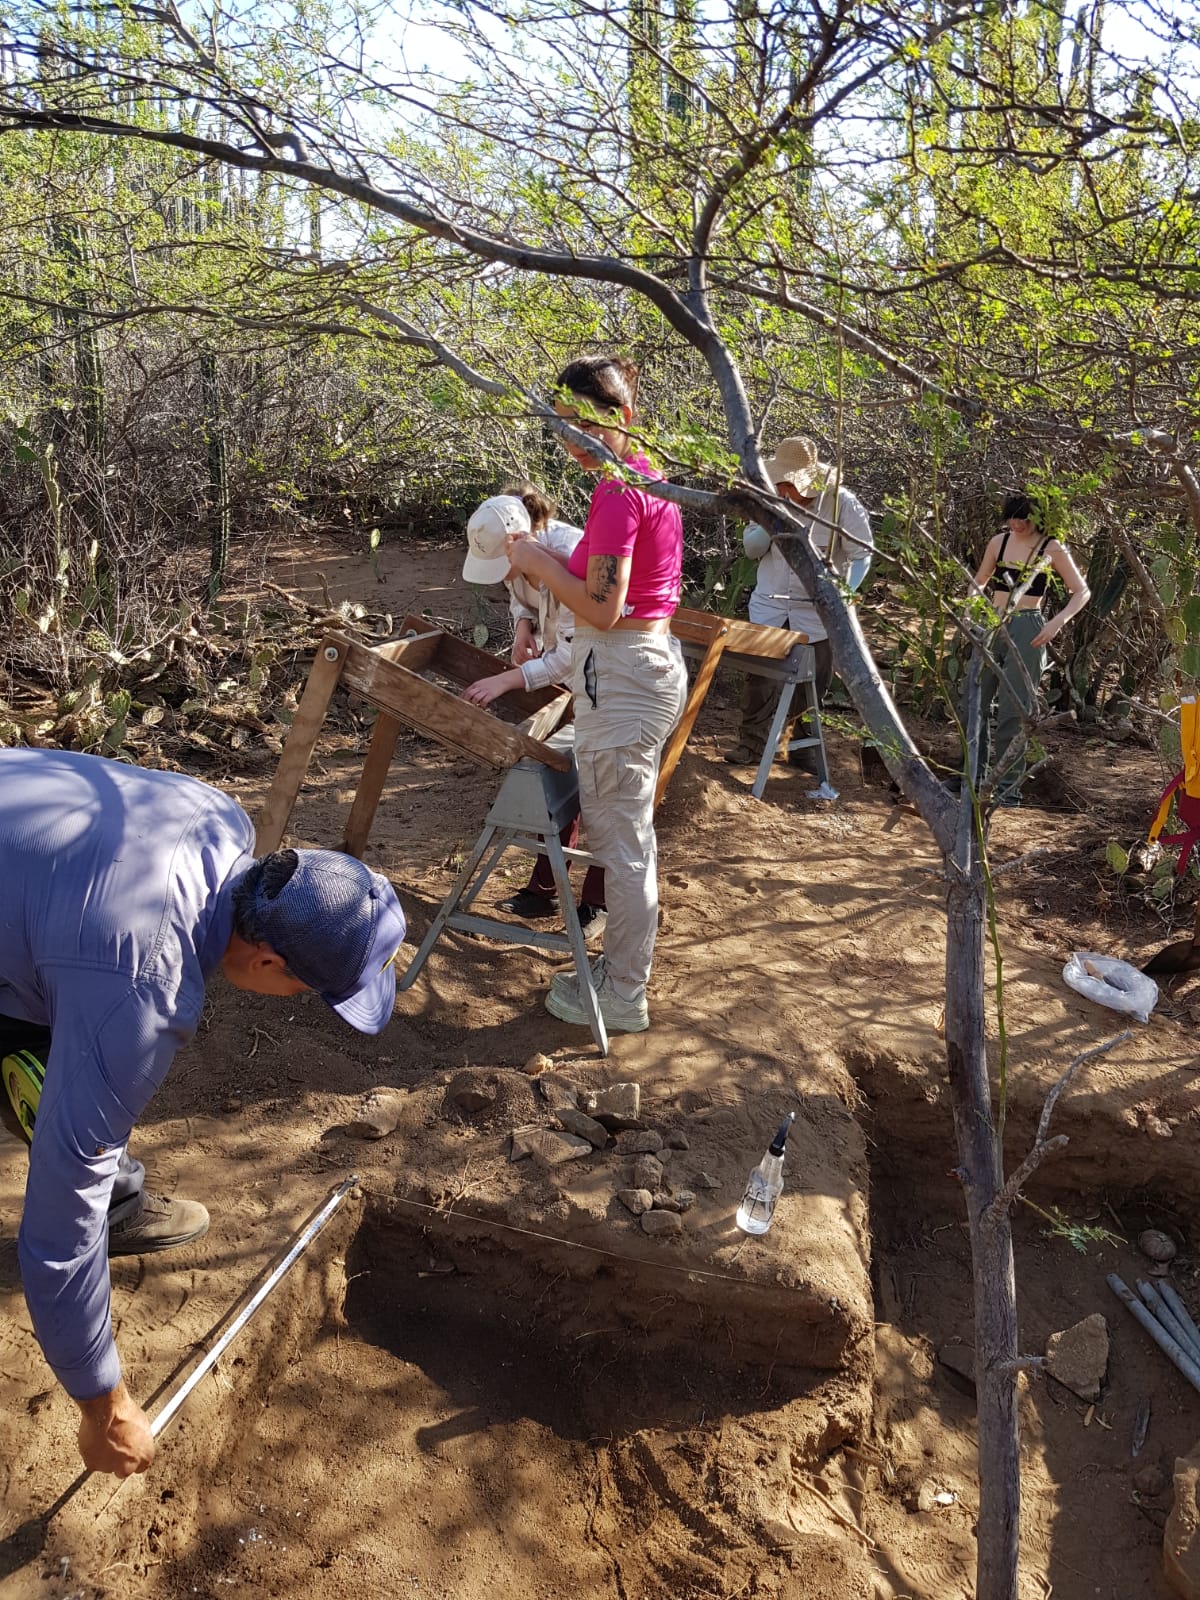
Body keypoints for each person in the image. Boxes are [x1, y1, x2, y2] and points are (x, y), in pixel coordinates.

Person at [0, 747, 407, 1478]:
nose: (301, 1007)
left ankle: (122, 1207)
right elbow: (60, 1227)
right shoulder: (139, 989)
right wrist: (106, 1406)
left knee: (64, 1046)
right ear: (267, 962)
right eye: (309, 993)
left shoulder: (214, 815)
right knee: (79, 1154)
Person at [504, 354, 687, 1034]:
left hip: (623, 668)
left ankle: (620, 992)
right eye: (562, 425)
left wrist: (532, 563)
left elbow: (604, 609)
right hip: (637, 664)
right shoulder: (648, 480)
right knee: (626, 836)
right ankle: (619, 977)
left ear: (622, 418)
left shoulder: (616, 493)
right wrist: (545, 560)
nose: (571, 438)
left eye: (585, 423)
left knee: (622, 844)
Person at [460, 484, 606, 935]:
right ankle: (543, 888)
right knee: (559, 774)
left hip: (609, 678)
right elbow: (518, 590)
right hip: (578, 680)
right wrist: (523, 625)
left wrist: (507, 679)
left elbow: (571, 651)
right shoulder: (517, 545)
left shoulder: (572, 554)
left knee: (603, 790)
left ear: (525, 540)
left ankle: (598, 903)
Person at [725, 436, 873, 776]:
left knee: (812, 682)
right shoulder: (767, 498)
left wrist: (843, 597)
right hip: (770, 606)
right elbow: (751, 549)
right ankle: (751, 743)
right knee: (759, 680)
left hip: (817, 613)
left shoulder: (841, 504)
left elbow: (862, 554)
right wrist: (772, 515)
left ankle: (800, 747)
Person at [968, 491, 1091, 805]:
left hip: (1028, 626)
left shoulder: (1051, 547)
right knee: (974, 700)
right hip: (991, 622)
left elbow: (1081, 592)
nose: (1017, 523)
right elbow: (980, 579)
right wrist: (970, 609)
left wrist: (1056, 623)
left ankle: (1008, 788)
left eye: (1023, 517)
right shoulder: (999, 542)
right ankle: (970, 778)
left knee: (1016, 708)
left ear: (1037, 518)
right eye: (1012, 517)